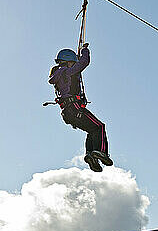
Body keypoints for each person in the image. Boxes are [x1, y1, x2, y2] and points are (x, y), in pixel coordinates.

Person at [48, 43, 113, 172]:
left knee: (92, 130)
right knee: (99, 126)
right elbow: (84, 63)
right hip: (75, 108)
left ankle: (91, 155)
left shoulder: (59, 74)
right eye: (72, 62)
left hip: (68, 112)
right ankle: (101, 152)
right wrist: (84, 51)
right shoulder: (66, 71)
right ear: (67, 62)